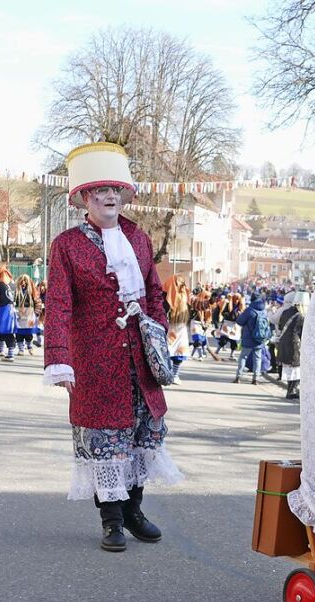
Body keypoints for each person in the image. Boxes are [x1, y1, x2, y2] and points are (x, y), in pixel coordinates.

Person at [43, 141, 182, 552]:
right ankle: (111, 521)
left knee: (143, 436)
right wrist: (59, 361)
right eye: (99, 191)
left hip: (139, 357)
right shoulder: (67, 245)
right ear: (85, 197)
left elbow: (155, 292)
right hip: (95, 357)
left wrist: (156, 330)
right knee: (106, 442)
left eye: (115, 191)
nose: (109, 197)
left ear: (123, 195)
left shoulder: (138, 238)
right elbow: (59, 306)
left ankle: (135, 511)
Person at [233, 290, 272, 384]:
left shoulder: (249, 310)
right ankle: (255, 379)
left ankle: (238, 377)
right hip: (259, 339)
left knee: (243, 357)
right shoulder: (263, 311)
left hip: (248, 338)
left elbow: (239, 322)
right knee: (257, 359)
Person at [276, 290, 307, 399]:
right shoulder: (301, 316)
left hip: (284, 344)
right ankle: (292, 390)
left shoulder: (286, 312)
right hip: (295, 346)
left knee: (290, 369)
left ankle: (290, 390)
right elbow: (304, 333)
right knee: (297, 369)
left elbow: (280, 326)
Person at [163, 275, 190, 384]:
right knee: (172, 352)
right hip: (175, 327)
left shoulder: (182, 295)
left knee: (174, 352)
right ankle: (171, 375)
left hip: (175, 327)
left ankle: (172, 374)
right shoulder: (166, 297)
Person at [13, 274, 42, 355]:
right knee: (18, 333)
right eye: (21, 281)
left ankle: (29, 346)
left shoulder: (32, 291)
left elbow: (38, 302)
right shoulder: (17, 291)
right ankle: (21, 349)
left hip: (29, 314)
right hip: (19, 314)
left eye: (25, 281)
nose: (23, 283)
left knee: (28, 333)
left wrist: (36, 313)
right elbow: (12, 302)